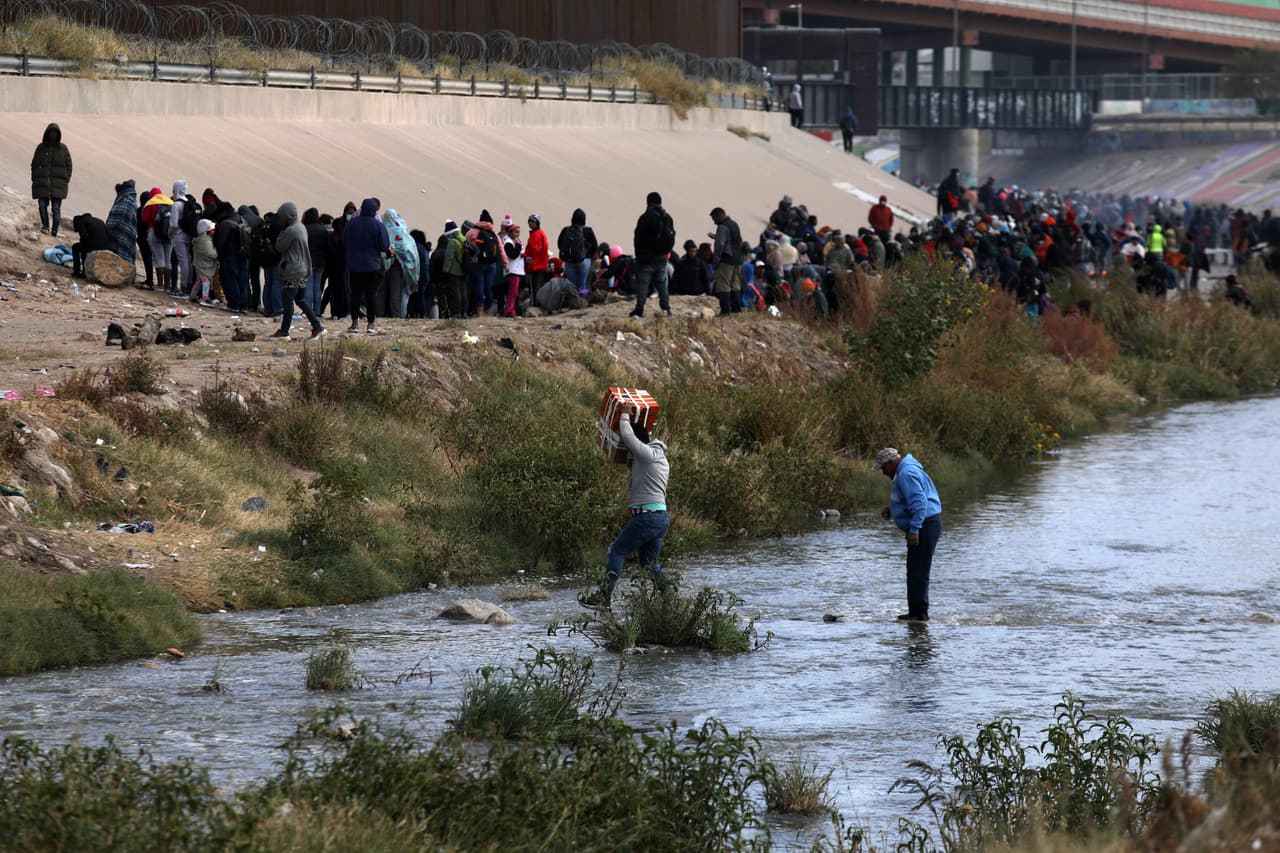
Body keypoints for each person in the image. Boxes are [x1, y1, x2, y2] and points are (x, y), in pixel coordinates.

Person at [579, 405, 670, 608]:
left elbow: (629, 437)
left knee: (617, 551)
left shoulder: (649, 455)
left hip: (646, 516)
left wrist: (625, 416)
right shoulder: (654, 460)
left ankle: (604, 597)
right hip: (658, 518)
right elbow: (629, 455)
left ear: (639, 443)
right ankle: (669, 599)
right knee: (649, 564)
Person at [875, 447, 942, 622]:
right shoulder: (907, 470)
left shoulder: (906, 474)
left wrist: (914, 529)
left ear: (891, 463)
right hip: (926, 524)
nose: (883, 473)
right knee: (915, 570)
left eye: (883, 468)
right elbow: (913, 499)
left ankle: (919, 614)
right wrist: (894, 509)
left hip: (924, 526)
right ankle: (916, 612)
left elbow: (920, 503)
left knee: (918, 571)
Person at [272, 202, 325, 340]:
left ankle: (284, 332)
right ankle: (317, 326)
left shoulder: (291, 230)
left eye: (281, 216)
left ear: (287, 216)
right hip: (302, 268)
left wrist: (281, 232)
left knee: (287, 300)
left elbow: (279, 246)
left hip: (293, 270)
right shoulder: (301, 227)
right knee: (300, 299)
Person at [344, 198, 390, 334]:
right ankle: (370, 324)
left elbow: (344, 241)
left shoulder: (352, 223)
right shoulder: (378, 225)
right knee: (371, 295)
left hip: (354, 266)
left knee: (355, 295)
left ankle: (354, 324)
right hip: (372, 266)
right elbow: (384, 245)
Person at [630, 191, 675, 319]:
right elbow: (672, 237)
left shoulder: (645, 217)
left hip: (646, 259)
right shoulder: (667, 218)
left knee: (643, 285)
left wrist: (639, 256)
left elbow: (638, 238)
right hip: (662, 257)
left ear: (648, 202)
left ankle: (639, 309)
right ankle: (666, 308)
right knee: (662, 284)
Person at [31, 123, 72, 237]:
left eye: (55, 132)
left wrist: (66, 178)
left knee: (56, 209)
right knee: (42, 205)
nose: (53, 134)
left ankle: (54, 231)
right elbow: (34, 164)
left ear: (58, 134)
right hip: (42, 183)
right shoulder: (41, 148)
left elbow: (69, 165)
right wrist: (34, 178)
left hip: (58, 184)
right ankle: (45, 226)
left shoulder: (63, 149)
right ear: (47, 133)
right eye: (51, 132)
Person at [710, 206, 743, 315]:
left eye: (714, 219)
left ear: (718, 216)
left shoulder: (722, 227)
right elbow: (738, 240)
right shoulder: (734, 224)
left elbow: (720, 245)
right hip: (737, 259)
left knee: (724, 285)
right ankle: (736, 310)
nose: (714, 222)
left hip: (726, 259)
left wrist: (716, 261)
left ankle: (725, 311)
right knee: (735, 284)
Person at [104, 179, 138, 264]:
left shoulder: (124, 203)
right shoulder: (133, 203)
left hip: (117, 239)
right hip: (127, 238)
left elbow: (112, 223)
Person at [70, 213, 110, 278]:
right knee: (84, 246)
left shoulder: (82, 222)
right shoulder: (99, 221)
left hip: (93, 246)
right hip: (105, 247)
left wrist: (82, 242)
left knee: (76, 247)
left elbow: (84, 237)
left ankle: (78, 271)